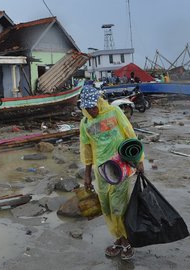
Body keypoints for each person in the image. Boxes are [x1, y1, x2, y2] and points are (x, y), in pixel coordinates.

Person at [79, 85, 144, 260]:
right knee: (107, 207)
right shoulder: (85, 123)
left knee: (118, 206)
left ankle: (126, 243)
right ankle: (119, 239)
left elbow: (130, 135)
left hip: (120, 167)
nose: (91, 110)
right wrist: (87, 174)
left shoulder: (114, 112)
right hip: (101, 171)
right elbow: (86, 149)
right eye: (87, 107)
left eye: (93, 106)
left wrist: (139, 160)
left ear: (99, 102)